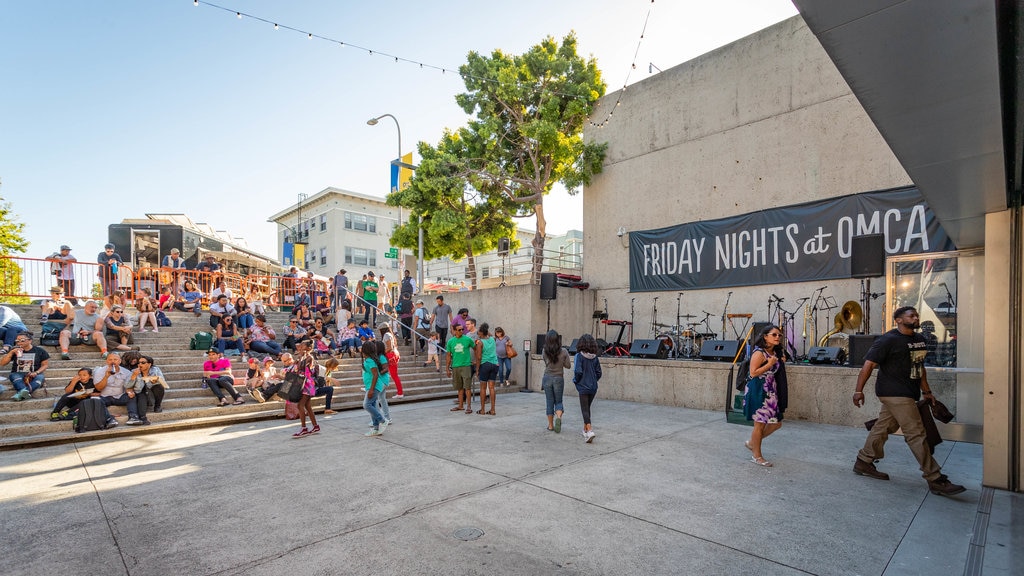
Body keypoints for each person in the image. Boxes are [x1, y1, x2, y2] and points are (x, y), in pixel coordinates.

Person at [852, 306, 966, 496]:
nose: (915, 317)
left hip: (909, 391)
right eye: (910, 316)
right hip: (893, 392)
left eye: (916, 315)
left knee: (883, 427)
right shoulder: (887, 340)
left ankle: (864, 461)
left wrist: (926, 391)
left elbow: (919, 367)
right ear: (898, 320)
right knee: (916, 433)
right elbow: (868, 365)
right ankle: (935, 478)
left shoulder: (919, 340)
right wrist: (858, 390)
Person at [741, 325, 785, 466]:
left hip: (770, 391)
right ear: (765, 336)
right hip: (758, 390)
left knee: (776, 423)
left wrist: (779, 361)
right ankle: (757, 456)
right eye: (774, 335)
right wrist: (770, 363)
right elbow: (753, 373)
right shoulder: (759, 353)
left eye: (779, 335)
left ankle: (752, 443)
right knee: (759, 425)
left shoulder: (774, 352)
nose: (778, 337)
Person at [94, 352, 148, 425]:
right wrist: (106, 376)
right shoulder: (100, 371)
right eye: (110, 360)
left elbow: (129, 386)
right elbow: (99, 388)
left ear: (120, 361)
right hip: (105, 396)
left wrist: (129, 392)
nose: (112, 361)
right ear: (107, 361)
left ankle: (133, 417)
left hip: (120, 396)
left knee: (132, 396)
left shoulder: (126, 372)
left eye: (115, 359)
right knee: (95, 400)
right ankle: (109, 419)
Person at [2, 331, 49, 401]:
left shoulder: (40, 351)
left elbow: (45, 365)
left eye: (22, 340)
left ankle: (20, 394)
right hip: (17, 372)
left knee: (39, 379)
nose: (19, 342)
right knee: (16, 378)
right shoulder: (15, 350)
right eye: (17, 341)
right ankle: (25, 392)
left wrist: (36, 372)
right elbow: (2, 363)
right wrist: (11, 352)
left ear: (30, 341)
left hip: (34, 372)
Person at [573, 333, 602, 442]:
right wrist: (594, 381)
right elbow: (599, 373)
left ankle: (589, 431)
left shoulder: (579, 356)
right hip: (593, 387)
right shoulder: (595, 358)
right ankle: (585, 430)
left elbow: (578, 371)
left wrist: (576, 381)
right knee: (587, 408)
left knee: (584, 409)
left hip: (583, 386)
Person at [288, 339, 319, 438]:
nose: (300, 347)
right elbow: (296, 368)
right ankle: (315, 426)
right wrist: (299, 358)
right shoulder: (302, 357)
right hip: (303, 383)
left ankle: (304, 428)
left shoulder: (309, 357)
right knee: (308, 406)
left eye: (303, 346)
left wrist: (300, 356)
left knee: (300, 405)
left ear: (309, 348)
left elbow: (301, 366)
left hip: (308, 385)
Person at [542, 330, 571, 433]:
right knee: (558, 401)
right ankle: (558, 417)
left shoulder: (544, 350)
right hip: (559, 378)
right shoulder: (564, 351)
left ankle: (550, 425)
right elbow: (568, 366)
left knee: (549, 401)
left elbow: (546, 362)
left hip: (547, 377)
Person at [445, 323, 475, 413]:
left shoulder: (468, 339)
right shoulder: (450, 342)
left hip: (466, 366)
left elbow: (476, 348)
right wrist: (447, 368)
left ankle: (469, 406)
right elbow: (448, 356)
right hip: (455, 366)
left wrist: (477, 361)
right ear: (454, 331)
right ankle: (461, 405)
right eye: (459, 330)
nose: (461, 331)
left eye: (462, 329)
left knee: (468, 387)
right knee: (459, 387)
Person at [362, 339, 389, 436]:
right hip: (370, 386)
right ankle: (376, 428)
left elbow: (375, 375)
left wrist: (371, 389)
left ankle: (382, 420)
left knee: (366, 405)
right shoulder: (369, 360)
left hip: (373, 386)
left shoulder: (370, 360)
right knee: (372, 405)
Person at [475, 323, 498, 415]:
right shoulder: (492, 339)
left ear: (481, 332)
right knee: (492, 387)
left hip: (485, 364)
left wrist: (477, 369)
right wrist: (485, 330)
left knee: (483, 388)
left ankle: (482, 409)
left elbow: (479, 357)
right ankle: (493, 409)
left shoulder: (480, 342)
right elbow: (491, 334)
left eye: (479, 331)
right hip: (494, 364)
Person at [379, 323, 404, 399]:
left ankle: (400, 393)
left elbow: (389, 347)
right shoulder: (390, 334)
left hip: (390, 356)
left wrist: (381, 353)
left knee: (393, 375)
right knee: (393, 375)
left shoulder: (386, 335)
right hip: (393, 355)